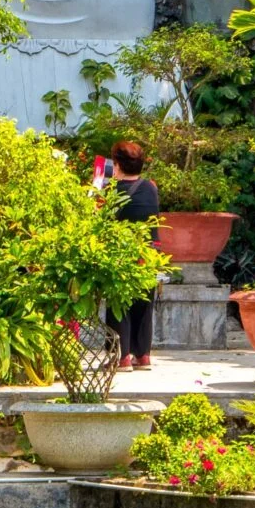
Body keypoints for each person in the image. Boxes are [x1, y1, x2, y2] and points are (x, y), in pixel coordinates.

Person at [107, 139, 160, 371]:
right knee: (144, 303)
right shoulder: (151, 188)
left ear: (117, 164)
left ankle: (122, 357)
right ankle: (143, 355)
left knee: (118, 305)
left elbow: (102, 220)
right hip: (148, 253)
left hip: (121, 254)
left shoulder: (113, 192)